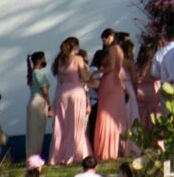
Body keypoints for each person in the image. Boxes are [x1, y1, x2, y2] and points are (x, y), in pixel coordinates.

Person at [49, 37, 92, 165]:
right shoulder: (78, 59)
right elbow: (85, 78)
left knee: (62, 126)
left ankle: (59, 155)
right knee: (76, 125)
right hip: (76, 93)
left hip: (63, 94)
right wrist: (87, 71)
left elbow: (59, 82)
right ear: (75, 46)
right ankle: (76, 154)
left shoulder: (59, 61)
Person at [92, 29, 129, 160]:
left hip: (109, 81)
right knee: (115, 115)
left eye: (105, 38)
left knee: (105, 115)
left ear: (111, 37)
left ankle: (107, 149)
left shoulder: (113, 49)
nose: (104, 41)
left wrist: (97, 72)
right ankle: (116, 147)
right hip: (115, 82)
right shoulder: (119, 49)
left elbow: (112, 67)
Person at [24, 51, 53, 162]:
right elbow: (45, 91)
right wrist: (49, 105)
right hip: (39, 102)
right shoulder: (39, 74)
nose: (45, 60)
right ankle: (35, 156)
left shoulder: (32, 73)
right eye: (43, 58)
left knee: (32, 131)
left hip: (32, 101)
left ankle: (31, 156)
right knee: (38, 131)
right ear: (39, 60)